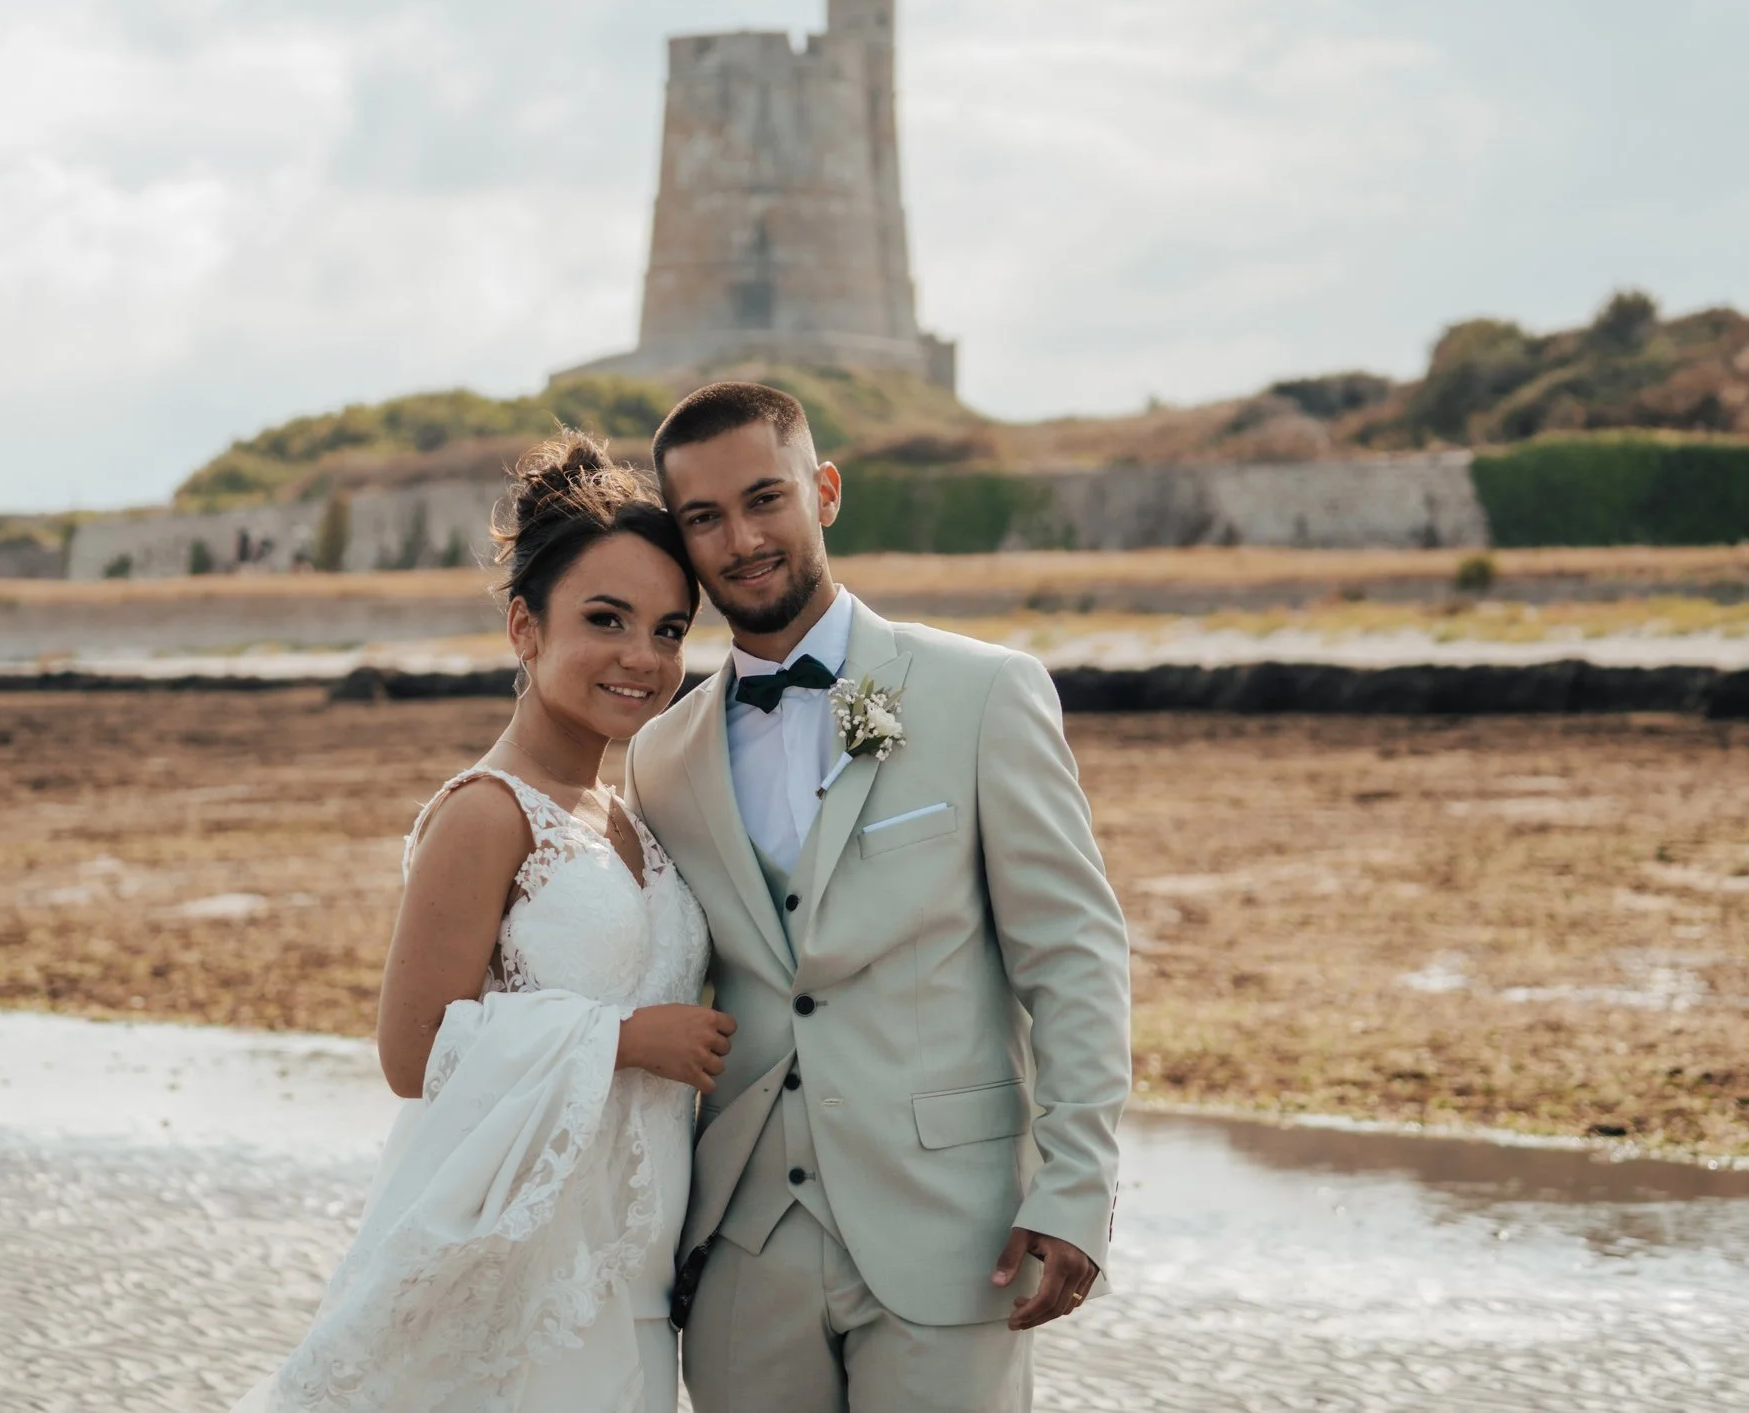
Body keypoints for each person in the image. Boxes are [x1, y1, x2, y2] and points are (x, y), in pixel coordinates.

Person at [624, 382, 1131, 1413]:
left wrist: (1076, 1186)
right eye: (704, 517)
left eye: (765, 499)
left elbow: (1072, 954)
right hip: (741, 1249)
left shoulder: (982, 693)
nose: (741, 540)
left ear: (824, 491)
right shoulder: (659, 756)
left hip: (953, 1231)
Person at [230, 432, 728, 1413]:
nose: (643, 657)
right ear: (523, 626)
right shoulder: (485, 813)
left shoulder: (634, 819)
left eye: (669, 630)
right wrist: (626, 1039)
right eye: (606, 619)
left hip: (628, 1273)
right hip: (512, 1273)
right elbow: (412, 1052)